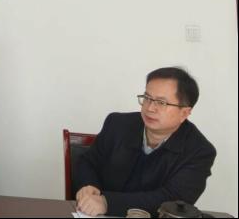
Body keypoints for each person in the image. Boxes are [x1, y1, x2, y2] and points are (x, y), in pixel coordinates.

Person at [75, 67, 216, 217]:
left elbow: (173, 200)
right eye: (147, 98)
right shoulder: (117, 124)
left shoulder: (199, 152)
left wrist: (107, 202)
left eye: (161, 102)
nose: (150, 108)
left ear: (184, 113)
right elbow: (88, 161)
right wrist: (88, 185)